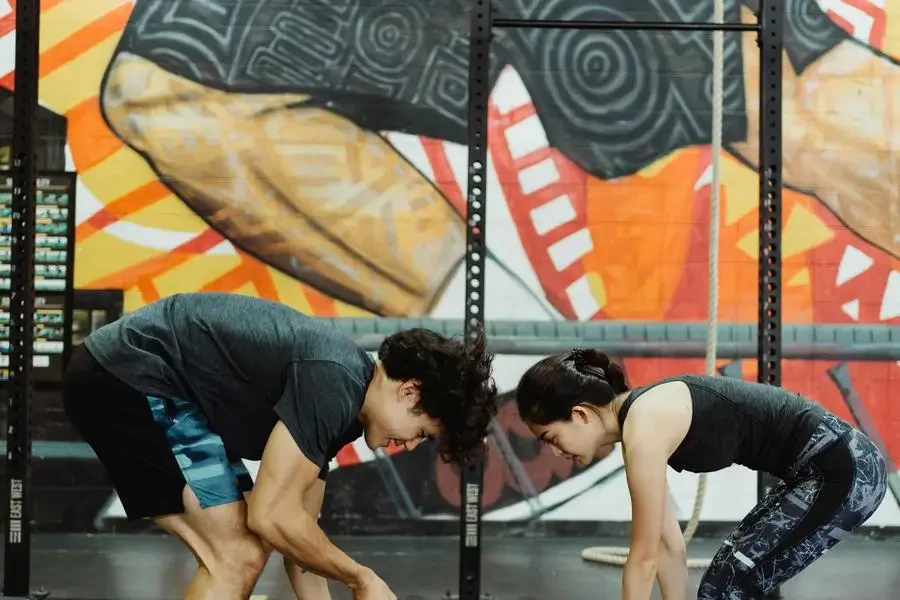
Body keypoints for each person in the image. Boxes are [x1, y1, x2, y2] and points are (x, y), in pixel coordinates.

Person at [63, 292, 497, 600]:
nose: (408, 444)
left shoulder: (343, 402)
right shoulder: (334, 383)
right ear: (409, 392)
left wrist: (351, 580)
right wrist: (361, 577)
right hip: (129, 373)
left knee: (246, 549)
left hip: (137, 377)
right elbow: (272, 516)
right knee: (236, 554)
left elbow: (299, 536)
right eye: (421, 431)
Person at [514, 349, 888, 600]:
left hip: (842, 468)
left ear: (580, 414)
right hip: (823, 469)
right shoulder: (638, 427)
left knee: (729, 581)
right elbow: (666, 547)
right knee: (740, 574)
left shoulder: (644, 425)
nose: (555, 451)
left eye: (551, 437)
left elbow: (642, 560)